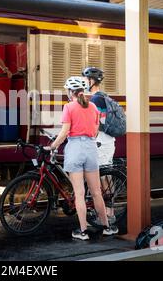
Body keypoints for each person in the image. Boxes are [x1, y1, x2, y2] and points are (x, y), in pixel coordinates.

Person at [46, 77, 118, 240]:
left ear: (71, 92)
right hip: (91, 149)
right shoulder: (93, 107)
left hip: (75, 149)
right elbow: (95, 131)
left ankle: (83, 231)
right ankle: (107, 227)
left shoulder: (69, 107)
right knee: (96, 193)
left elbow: (64, 132)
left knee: (79, 194)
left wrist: (52, 146)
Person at [82, 67, 116, 224]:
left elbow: (95, 124)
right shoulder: (102, 97)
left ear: (92, 81)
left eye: (86, 80)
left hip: (103, 143)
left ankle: (109, 214)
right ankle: (108, 212)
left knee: (104, 180)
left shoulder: (96, 99)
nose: (85, 82)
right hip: (105, 141)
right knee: (105, 178)